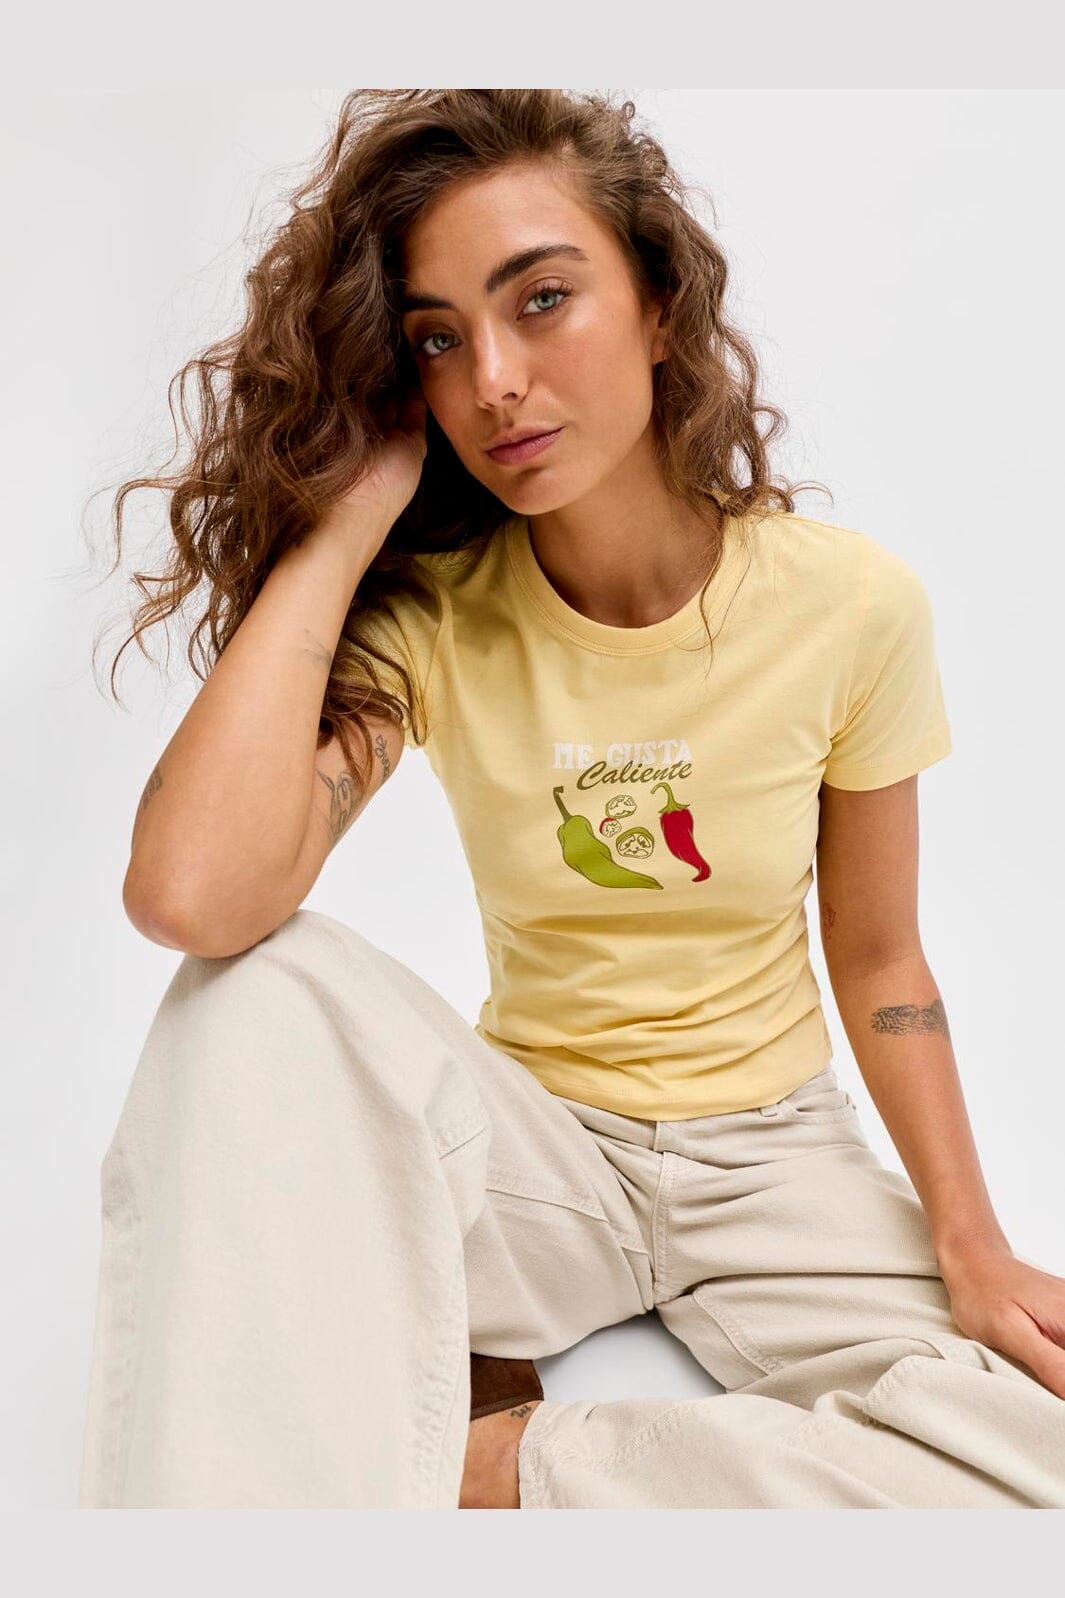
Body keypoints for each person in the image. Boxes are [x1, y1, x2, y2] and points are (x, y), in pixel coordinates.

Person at [77, 89, 1065, 1509]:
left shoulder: (849, 605)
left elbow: (878, 956)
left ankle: (496, 1474)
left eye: (540, 300)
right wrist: (342, 527)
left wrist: (970, 1244)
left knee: (1036, 1454)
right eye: (438, 337)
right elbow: (190, 896)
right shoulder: (433, 615)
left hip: (775, 1161)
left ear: (659, 306)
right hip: (532, 1159)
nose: (492, 378)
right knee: (248, 991)